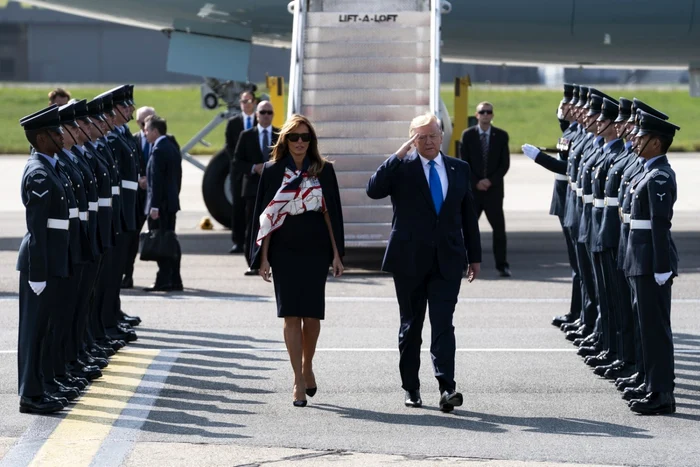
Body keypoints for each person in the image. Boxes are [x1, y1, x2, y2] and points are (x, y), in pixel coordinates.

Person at [367, 113, 482, 412]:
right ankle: (411, 388)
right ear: (411, 139)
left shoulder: (459, 168)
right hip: (409, 260)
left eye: (432, 135)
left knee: (443, 324)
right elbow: (373, 189)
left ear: (442, 135)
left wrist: (475, 257)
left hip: (447, 259)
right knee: (411, 326)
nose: (428, 141)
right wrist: (397, 155)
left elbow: (468, 216)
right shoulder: (401, 169)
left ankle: (447, 388)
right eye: (421, 137)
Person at [250, 114, 344, 407]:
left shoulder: (324, 170)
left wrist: (337, 254)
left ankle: (307, 365)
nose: (300, 142)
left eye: (305, 137)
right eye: (294, 137)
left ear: (311, 141)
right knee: (291, 315)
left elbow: (332, 214)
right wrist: (263, 258)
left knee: (312, 316)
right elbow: (267, 217)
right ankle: (297, 379)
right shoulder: (272, 170)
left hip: (315, 246)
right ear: (285, 140)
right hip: (284, 247)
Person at [621, 110, 680, 415]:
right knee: (647, 328)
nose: (636, 140)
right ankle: (651, 383)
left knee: (656, 329)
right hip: (640, 260)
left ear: (656, 143)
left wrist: (660, 267)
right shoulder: (647, 171)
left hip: (650, 262)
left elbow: (659, 224)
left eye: (642, 137)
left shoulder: (659, 176)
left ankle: (662, 394)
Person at [16, 106, 71, 414]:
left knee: (45, 329)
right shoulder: (38, 172)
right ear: (41, 138)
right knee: (34, 330)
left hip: (51, 258)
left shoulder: (50, 166)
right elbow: (37, 229)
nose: (62, 136)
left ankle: (38, 387)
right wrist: (38, 271)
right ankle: (30, 395)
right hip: (41, 260)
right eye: (56, 133)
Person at [459, 102, 511, 276]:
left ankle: (502, 265)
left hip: (494, 191)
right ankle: (463, 263)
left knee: (499, 230)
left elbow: (505, 164)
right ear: (477, 115)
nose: (486, 115)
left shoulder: (501, 136)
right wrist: (476, 182)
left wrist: (489, 181)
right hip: (473, 192)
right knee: (467, 228)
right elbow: (463, 162)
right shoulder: (467, 135)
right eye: (483, 112)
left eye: (489, 112)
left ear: (492, 115)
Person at [232, 100, 279, 274]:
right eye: (263, 112)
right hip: (252, 189)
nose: (266, 116)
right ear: (256, 115)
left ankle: (272, 261)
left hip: (273, 190)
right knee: (253, 227)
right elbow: (237, 162)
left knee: (273, 225)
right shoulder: (246, 135)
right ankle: (252, 261)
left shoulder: (279, 135)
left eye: (269, 112)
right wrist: (254, 168)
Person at [144, 116, 183, 292]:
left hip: (161, 206)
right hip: (170, 203)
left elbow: (157, 182)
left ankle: (164, 279)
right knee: (170, 241)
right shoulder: (172, 147)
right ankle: (175, 279)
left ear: (155, 131)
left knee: (162, 243)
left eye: (146, 129)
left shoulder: (159, 150)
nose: (144, 133)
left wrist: (154, 207)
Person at [122, 105, 155, 289]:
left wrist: (150, 181)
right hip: (136, 197)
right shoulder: (131, 141)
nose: (147, 126)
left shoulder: (163, 141)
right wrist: (138, 180)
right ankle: (128, 274)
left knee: (161, 236)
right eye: (143, 122)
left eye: (151, 121)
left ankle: (165, 276)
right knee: (131, 238)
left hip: (154, 196)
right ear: (137, 123)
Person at [227, 91, 257, 254]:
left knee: (253, 207)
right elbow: (229, 147)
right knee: (237, 207)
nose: (245, 104)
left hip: (255, 171)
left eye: (248, 101)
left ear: (254, 102)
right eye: (243, 101)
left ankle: (254, 240)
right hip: (238, 172)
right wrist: (241, 165)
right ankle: (238, 242)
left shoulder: (259, 121)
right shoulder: (233, 123)